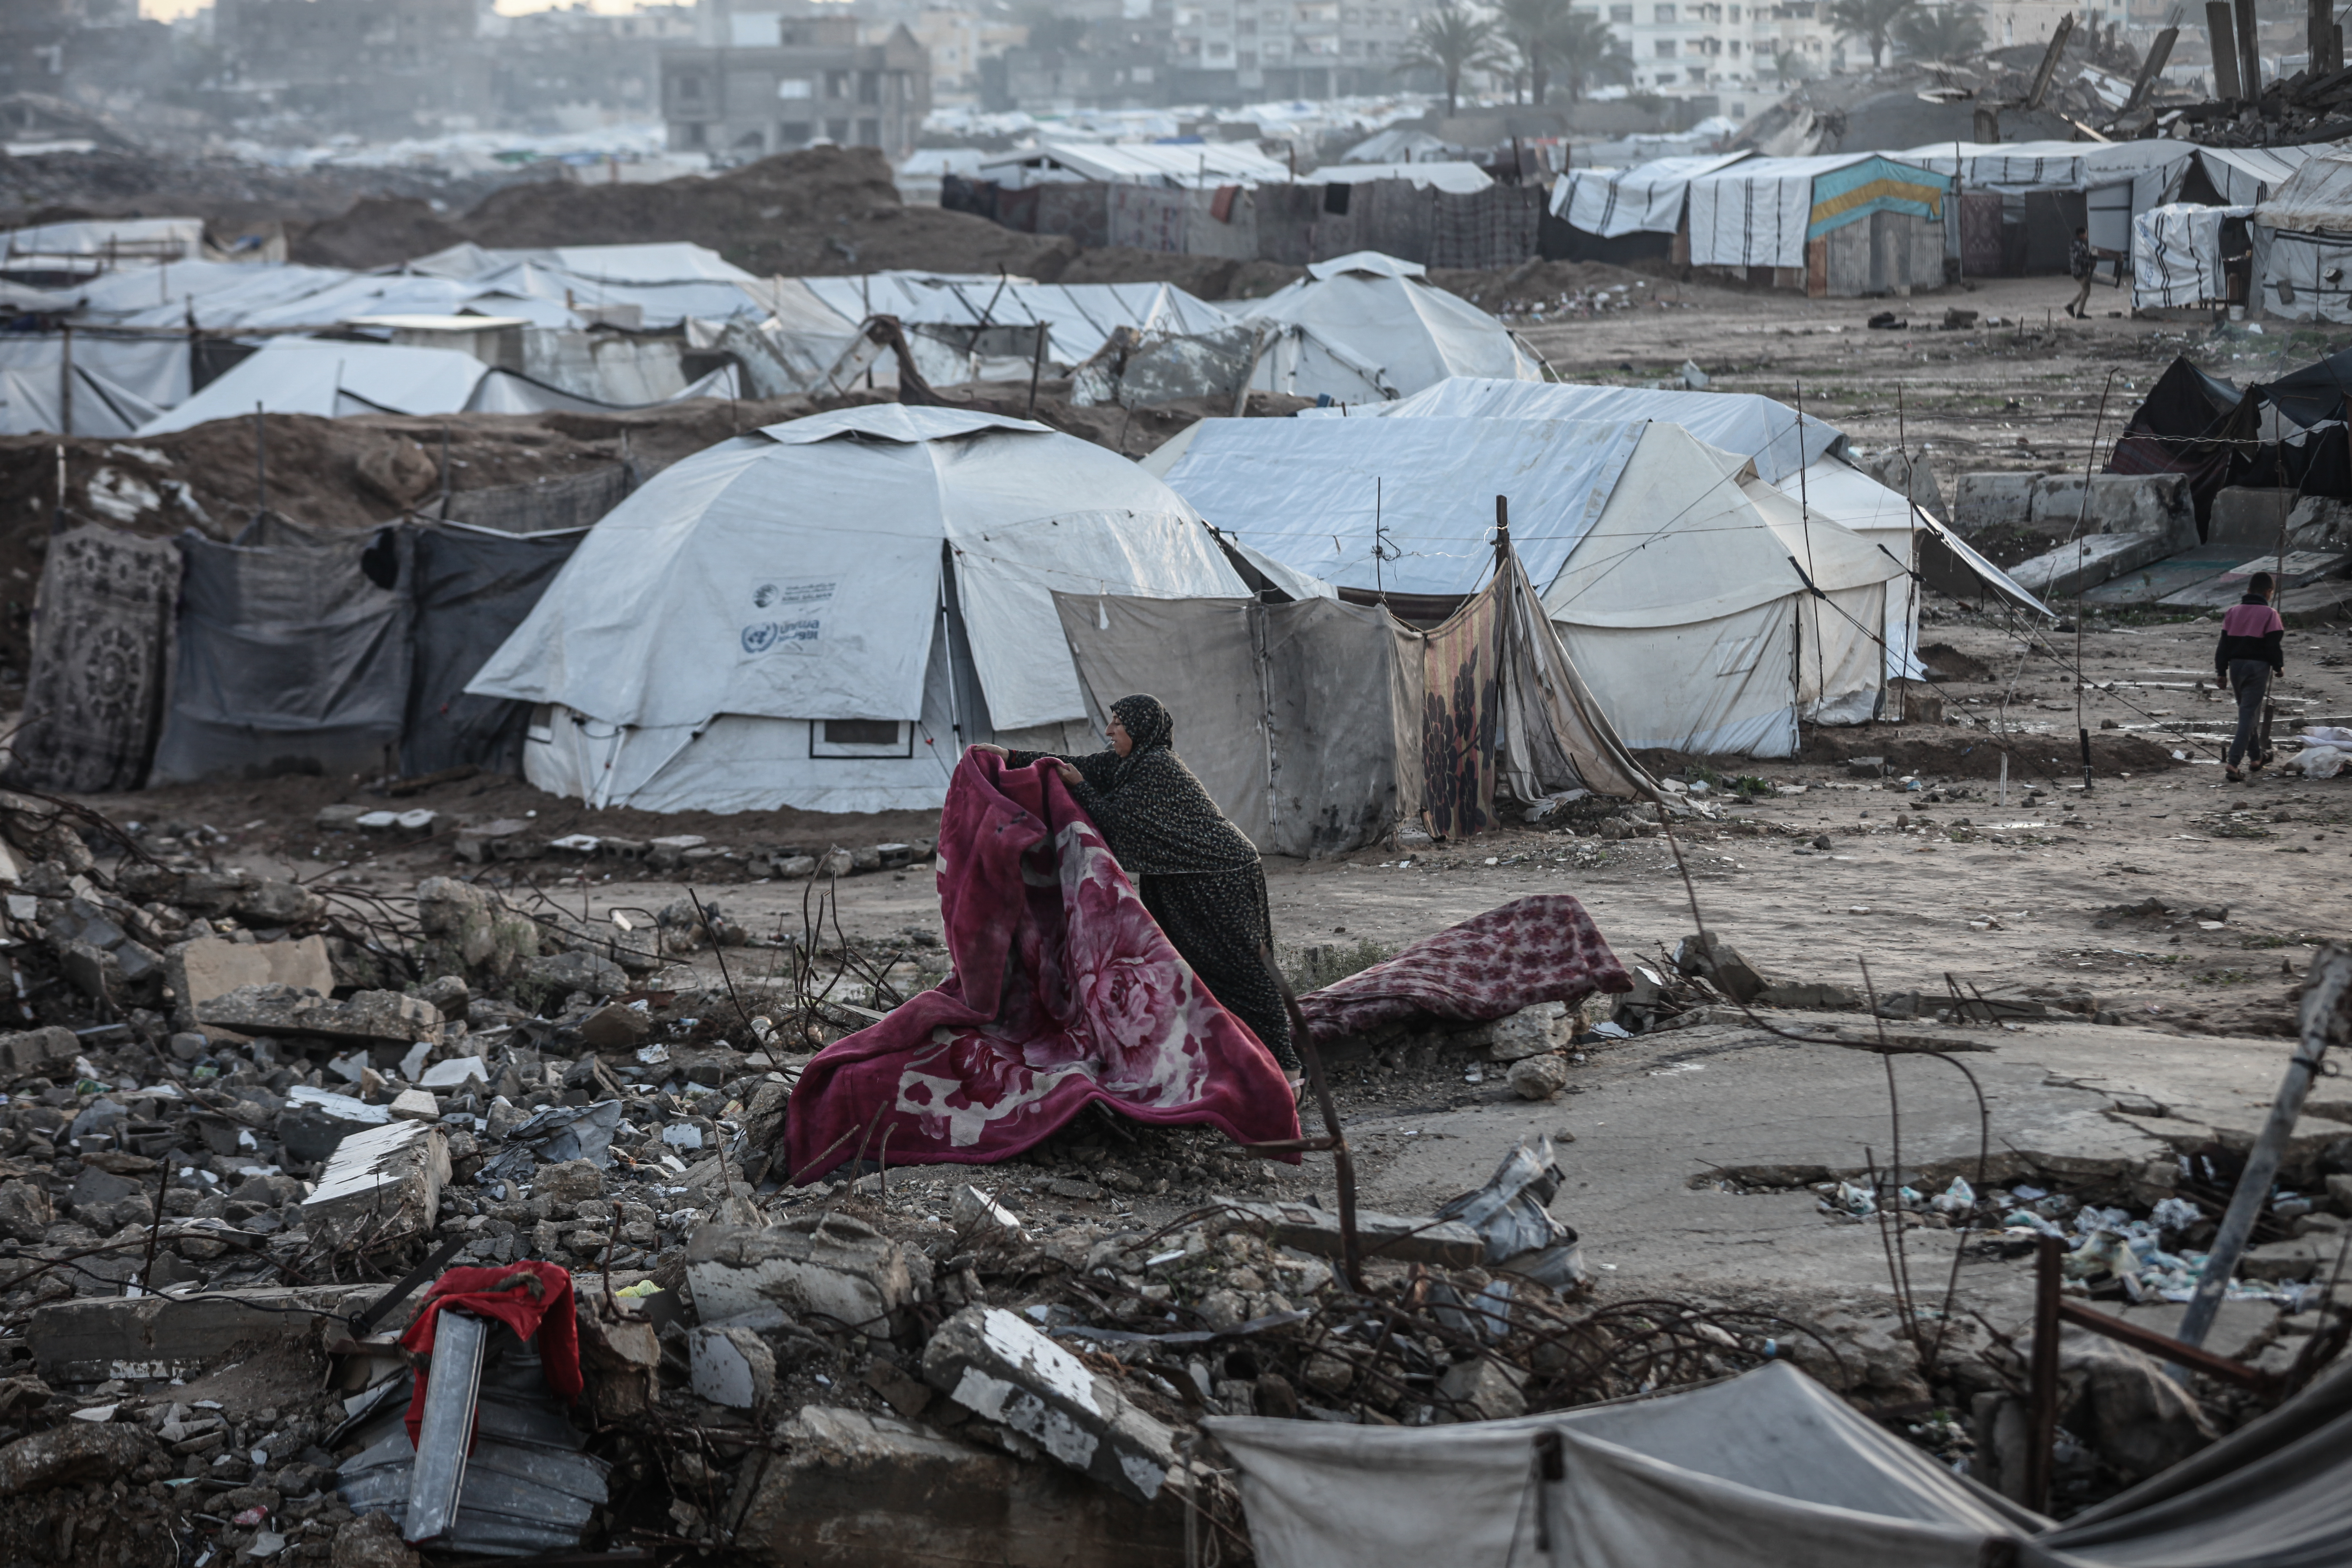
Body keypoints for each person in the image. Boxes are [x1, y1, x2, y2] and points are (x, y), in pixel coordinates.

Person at [971, 694, 1298, 1074]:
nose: (1109, 731)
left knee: (1241, 970)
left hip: (1218, 875)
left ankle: (1287, 1069)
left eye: (1118, 723)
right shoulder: (1129, 763)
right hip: (1179, 876)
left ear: (1140, 729)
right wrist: (1010, 756)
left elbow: (1116, 822)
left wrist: (1081, 790)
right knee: (1196, 970)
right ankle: (1235, 1060)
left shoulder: (1156, 767)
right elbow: (1078, 766)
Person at [2216, 570, 2286, 783]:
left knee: (2248, 712)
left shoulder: (2232, 612)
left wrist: (2221, 672)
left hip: (2236, 668)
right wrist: (2279, 667)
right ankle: (2234, 762)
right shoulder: (2270, 614)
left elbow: (2223, 646)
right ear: (2269, 593)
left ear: (2248, 591)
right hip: (2258, 668)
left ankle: (2256, 757)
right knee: (2248, 715)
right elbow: (2273, 645)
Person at [2066, 226, 2096, 320]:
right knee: (2087, 290)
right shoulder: (2079, 245)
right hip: (2080, 271)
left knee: (2085, 290)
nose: (2086, 236)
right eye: (2085, 234)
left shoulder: (2075, 244)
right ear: (2081, 235)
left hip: (2077, 271)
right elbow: (2078, 259)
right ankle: (2080, 313)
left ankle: (2071, 306)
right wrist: (2090, 262)